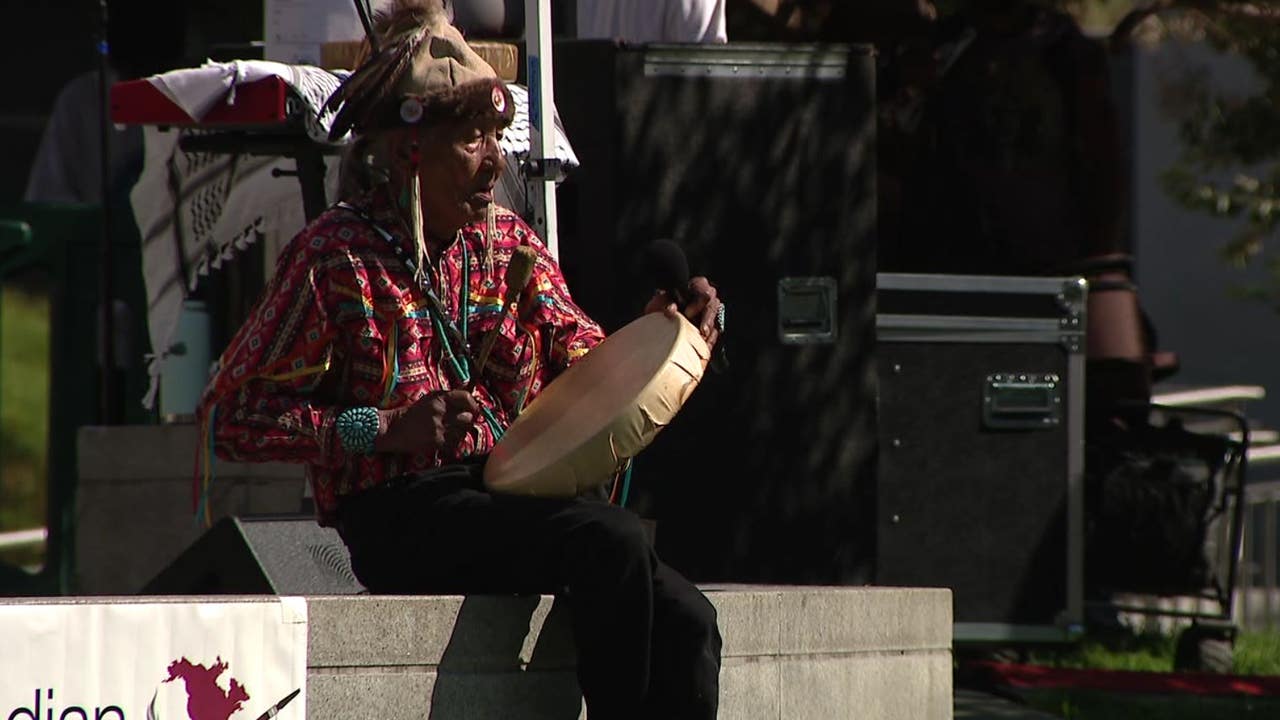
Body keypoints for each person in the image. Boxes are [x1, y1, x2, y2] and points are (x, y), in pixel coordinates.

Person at [196, 2, 724, 718]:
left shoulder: (508, 242)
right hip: (403, 514)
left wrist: (664, 342)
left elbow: (585, 359)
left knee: (690, 621)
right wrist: (381, 429)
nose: (496, 161)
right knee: (613, 539)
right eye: (474, 138)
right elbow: (231, 418)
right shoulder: (336, 255)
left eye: (498, 136)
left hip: (516, 498)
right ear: (408, 152)